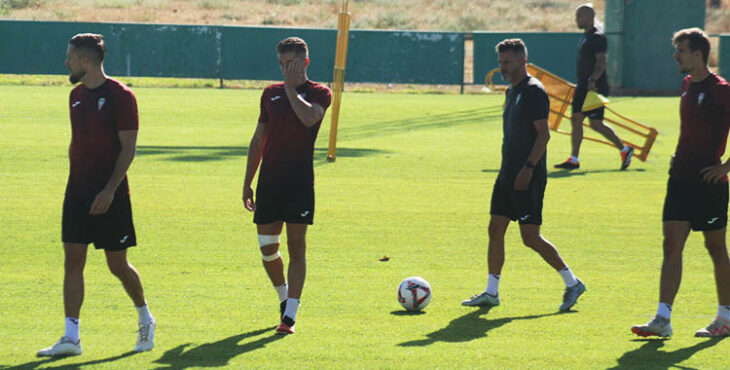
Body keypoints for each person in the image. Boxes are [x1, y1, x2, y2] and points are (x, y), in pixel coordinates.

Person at [37, 33, 155, 357]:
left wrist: (109, 190)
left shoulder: (121, 96)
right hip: (76, 193)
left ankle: (146, 318)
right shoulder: (75, 96)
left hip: (111, 195)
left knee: (117, 265)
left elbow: (128, 149)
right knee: (73, 262)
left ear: (86, 61)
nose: (66, 62)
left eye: (70, 57)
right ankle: (71, 338)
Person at [462, 39, 586, 311]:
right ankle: (491, 292)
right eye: (500, 62)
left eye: (507, 62)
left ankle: (572, 282)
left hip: (526, 175)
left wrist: (529, 168)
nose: (502, 67)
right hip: (507, 173)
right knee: (495, 228)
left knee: (530, 236)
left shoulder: (534, 92)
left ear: (522, 62)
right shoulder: (511, 91)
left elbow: (544, 134)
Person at [631, 28, 730, 338]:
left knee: (715, 248)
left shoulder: (721, 89)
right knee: (671, 245)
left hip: (709, 183)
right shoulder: (687, 84)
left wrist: (725, 166)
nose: (676, 56)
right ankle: (662, 319)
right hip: (680, 180)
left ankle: (725, 317)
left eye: (681, 51)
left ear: (698, 54)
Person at [242, 37, 332, 335]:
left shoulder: (320, 92)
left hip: (299, 184)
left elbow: (308, 118)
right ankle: (283, 298)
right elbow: (258, 139)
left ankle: (291, 314)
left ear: (304, 62)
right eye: (281, 64)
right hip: (269, 183)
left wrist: (292, 88)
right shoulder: (270, 94)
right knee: (267, 250)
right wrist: (247, 182)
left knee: (296, 247)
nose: (284, 70)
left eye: (290, 64)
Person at [554, 3, 634, 170]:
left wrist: (593, 79)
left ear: (588, 17)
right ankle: (574, 159)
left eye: (579, 16)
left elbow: (601, 62)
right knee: (576, 119)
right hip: (583, 86)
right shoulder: (586, 36)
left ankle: (625, 149)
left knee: (596, 124)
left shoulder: (597, 36)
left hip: (594, 87)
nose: (576, 20)